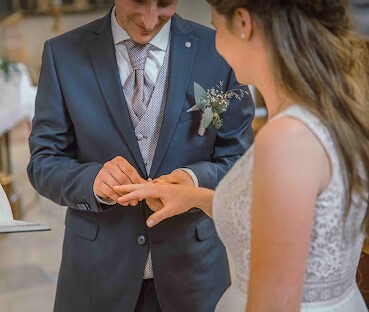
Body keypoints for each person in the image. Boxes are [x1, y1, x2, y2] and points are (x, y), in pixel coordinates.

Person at [116, 0, 369, 311]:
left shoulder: (286, 139)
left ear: (243, 24)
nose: (216, 43)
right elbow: (286, 218)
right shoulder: (332, 108)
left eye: (217, 27)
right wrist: (195, 197)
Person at [27, 0, 255, 311]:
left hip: (193, 274)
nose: (149, 20)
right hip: (96, 276)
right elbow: (43, 161)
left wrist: (193, 180)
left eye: (164, 4)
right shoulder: (62, 54)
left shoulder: (219, 51)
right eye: (138, 1)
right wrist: (92, 180)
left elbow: (242, 163)